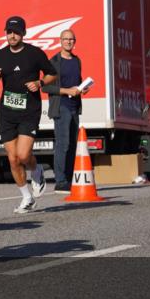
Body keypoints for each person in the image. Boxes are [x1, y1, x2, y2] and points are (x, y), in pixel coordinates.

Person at [0, 16, 57, 212]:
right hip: (7, 112)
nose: (12, 35)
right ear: (5, 33)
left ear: (24, 33)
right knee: (12, 159)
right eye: (9, 32)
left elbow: (52, 73)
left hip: (29, 111)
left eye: (16, 32)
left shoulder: (35, 54)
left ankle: (36, 169)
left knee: (24, 155)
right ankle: (27, 198)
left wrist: (40, 83)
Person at [41, 29, 87, 194]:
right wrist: (67, 91)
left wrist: (82, 89)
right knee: (63, 143)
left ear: (75, 41)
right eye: (65, 39)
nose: (68, 42)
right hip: (61, 106)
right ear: (60, 41)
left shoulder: (77, 61)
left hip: (75, 106)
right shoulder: (54, 61)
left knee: (73, 144)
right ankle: (60, 181)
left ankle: (68, 178)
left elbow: (77, 81)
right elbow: (45, 86)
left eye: (71, 39)